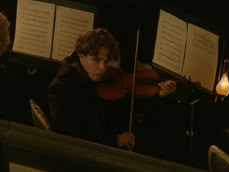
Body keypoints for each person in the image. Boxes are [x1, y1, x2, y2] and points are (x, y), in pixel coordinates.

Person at [48, 28, 176, 150]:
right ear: (81, 56)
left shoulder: (90, 74)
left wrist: (159, 93)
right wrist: (115, 141)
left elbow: (122, 101)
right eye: (96, 60)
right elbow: (73, 140)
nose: (103, 68)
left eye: (106, 60)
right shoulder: (62, 88)